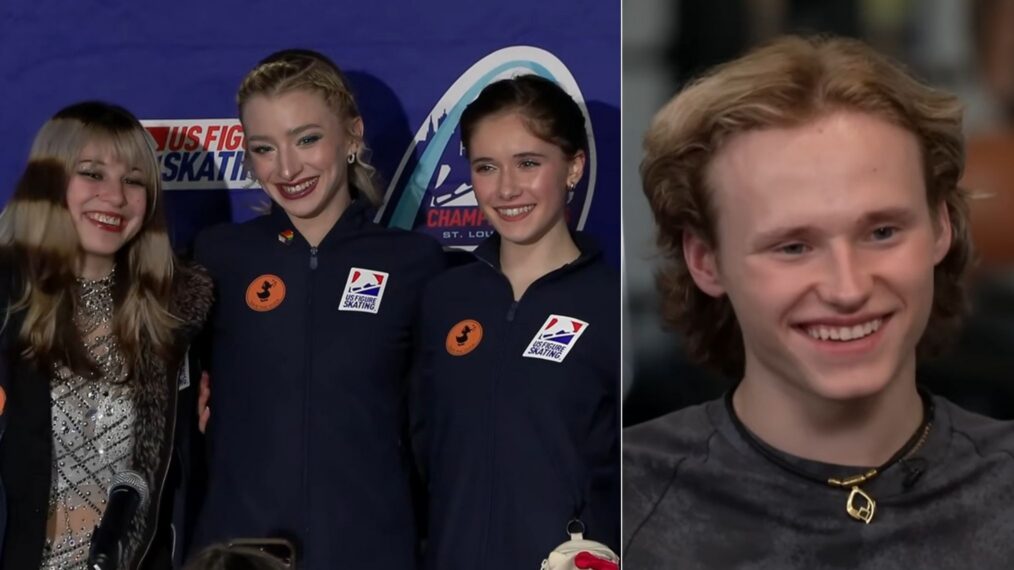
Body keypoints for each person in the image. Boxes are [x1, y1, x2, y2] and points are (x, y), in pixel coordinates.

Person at [623, 35, 1014, 569]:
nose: (847, 289)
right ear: (705, 260)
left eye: (881, 232)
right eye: (793, 247)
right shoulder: (613, 505)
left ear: (941, 226)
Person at [190, 49, 446, 569]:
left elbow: (443, 426)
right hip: (236, 553)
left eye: (307, 139)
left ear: (352, 136)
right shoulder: (219, 257)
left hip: (372, 551)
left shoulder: (415, 264)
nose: (287, 168)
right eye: (264, 148)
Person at [414, 75, 619, 570]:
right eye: (486, 167)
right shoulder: (444, 296)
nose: (507, 189)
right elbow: (416, 449)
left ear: (573, 167)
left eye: (528, 163)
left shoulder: (611, 302)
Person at [0, 101, 212, 569]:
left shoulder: (174, 318)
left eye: (134, 181)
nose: (115, 197)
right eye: (92, 174)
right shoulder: (6, 305)